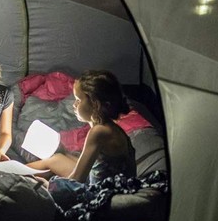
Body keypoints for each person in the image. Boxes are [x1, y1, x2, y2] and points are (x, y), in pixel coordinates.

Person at [27, 70, 136, 202]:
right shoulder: (111, 128)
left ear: (95, 104)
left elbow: (77, 179)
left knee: (42, 182)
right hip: (99, 180)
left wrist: (48, 186)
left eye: (78, 100)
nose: (74, 105)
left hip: (99, 193)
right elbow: (95, 165)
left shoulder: (99, 132)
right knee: (55, 159)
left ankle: (16, 175)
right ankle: (14, 170)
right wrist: (66, 153)